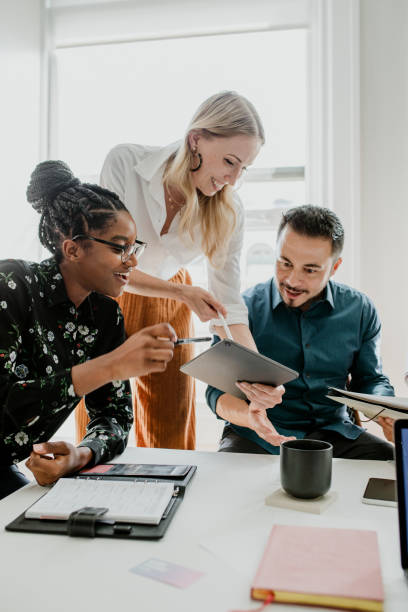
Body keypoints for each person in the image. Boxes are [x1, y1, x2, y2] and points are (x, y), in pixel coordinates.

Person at [75, 90, 265, 450]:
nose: (234, 178)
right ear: (196, 140)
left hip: (172, 298)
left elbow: (228, 303)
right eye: (229, 161)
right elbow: (107, 263)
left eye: (243, 168)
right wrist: (182, 293)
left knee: (170, 424)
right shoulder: (125, 163)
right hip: (105, 295)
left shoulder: (230, 210)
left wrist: (257, 374)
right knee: (98, 421)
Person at [0, 161, 176, 500]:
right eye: (119, 247)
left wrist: (80, 455)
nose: (133, 261)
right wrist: (109, 366)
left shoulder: (105, 315)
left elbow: (115, 414)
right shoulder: (12, 286)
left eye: (133, 247)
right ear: (73, 249)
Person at [206, 205, 395, 459]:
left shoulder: (359, 309)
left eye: (310, 270)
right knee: (227, 485)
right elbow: (216, 392)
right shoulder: (242, 310)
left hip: (335, 434)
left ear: (335, 267)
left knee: (393, 466)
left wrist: (387, 412)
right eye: (285, 263)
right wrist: (250, 418)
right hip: (257, 435)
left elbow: (370, 380)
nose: (293, 280)